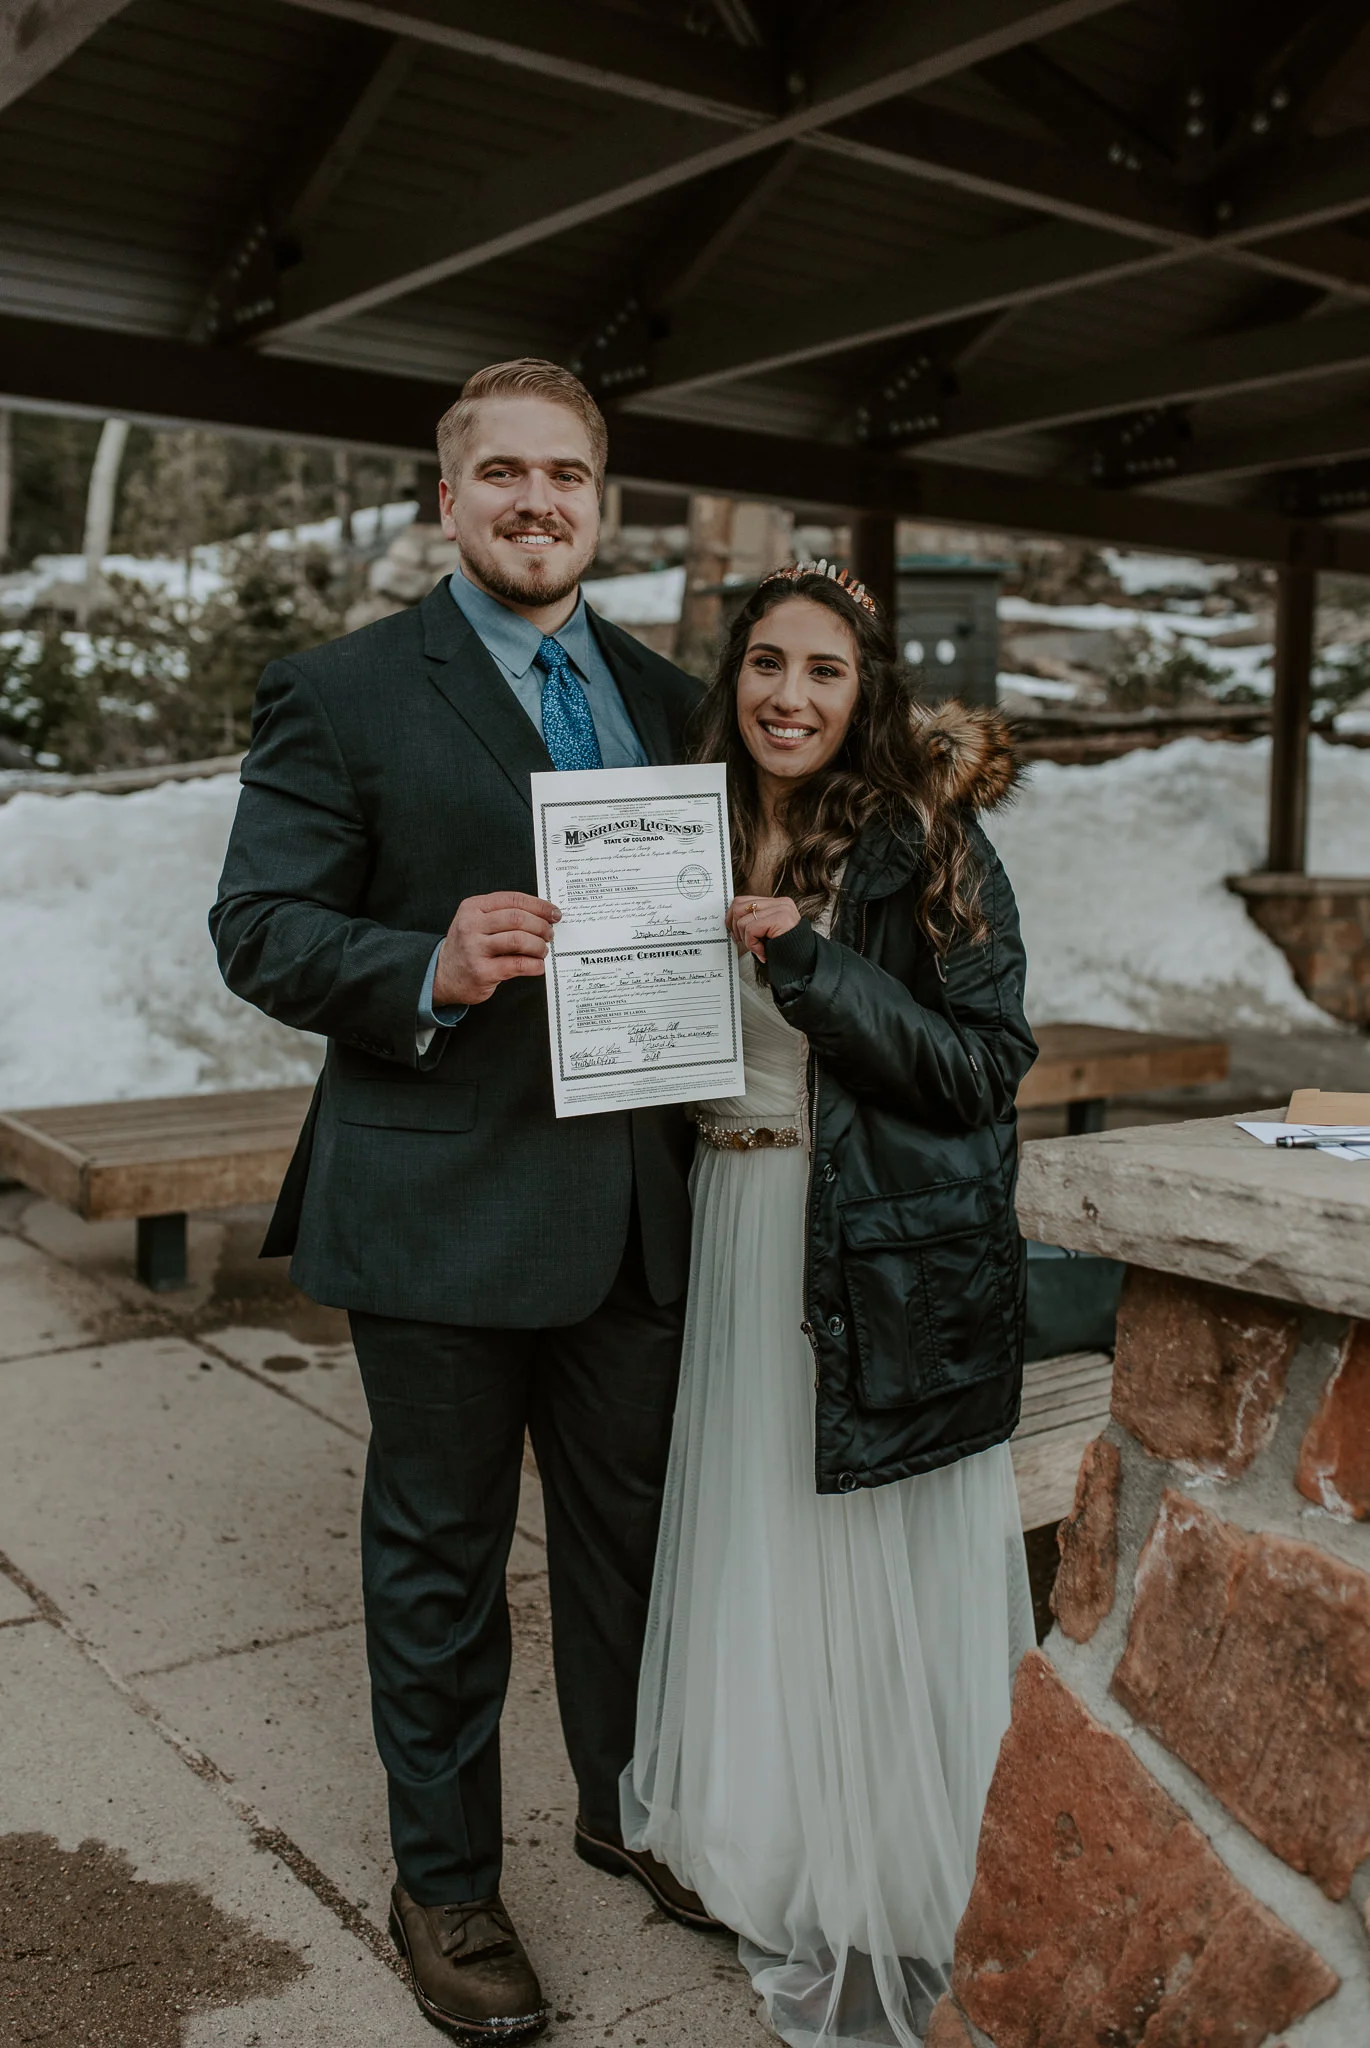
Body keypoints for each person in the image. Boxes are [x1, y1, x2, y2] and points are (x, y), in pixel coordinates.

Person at [211, 359, 716, 2044]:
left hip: (638, 1207)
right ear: (449, 499)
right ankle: (444, 1884)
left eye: (566, 475)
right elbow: (261, 926)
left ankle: (628, 1807)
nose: (536, 501)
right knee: (436, 1569)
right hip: (439, 1204)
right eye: (500, 472)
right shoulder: (342, 692)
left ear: (603, 502)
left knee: (634, 1552)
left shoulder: (669, 695)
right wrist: (421, 959)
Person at [622, 562, 1038, 2048]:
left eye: (823, 672)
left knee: (857, 1542)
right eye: (764, 666)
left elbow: (984, 1063)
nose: (788, 696)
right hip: (728, 1221)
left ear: (868, 696)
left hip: (860, 1239)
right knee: (755, 1540)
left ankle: (880, 1853)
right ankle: (773, 1838)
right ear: (728, 678)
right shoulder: (683, 825)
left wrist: (801, 963)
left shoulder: (923, 839)